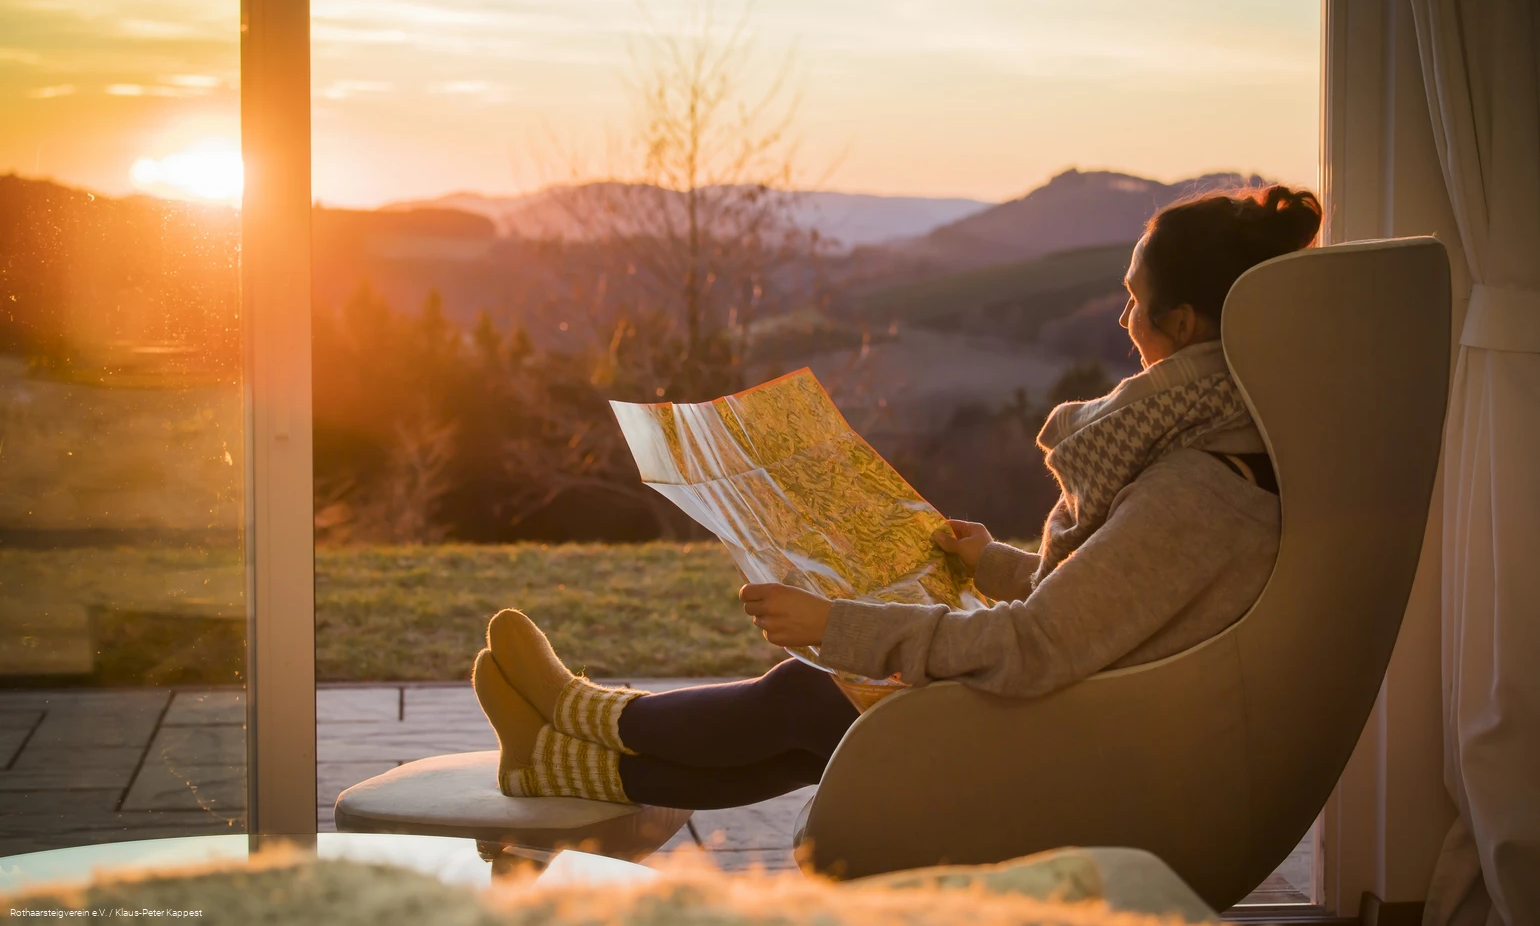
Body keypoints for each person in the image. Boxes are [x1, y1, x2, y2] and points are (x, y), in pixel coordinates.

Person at [471, 184, 1322, 809]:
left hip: (1083, 752)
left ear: (1184, 324)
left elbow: (1037, 644)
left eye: (1134, 301)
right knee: (817, 722)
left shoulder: (1200, 488)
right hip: (1091, 718)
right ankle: (550, 762)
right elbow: (1114, 604)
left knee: (816, 696)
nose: (1124, 322)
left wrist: (834, 623)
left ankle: (578, 713)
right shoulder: (1209, 453)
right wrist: (991, 562)